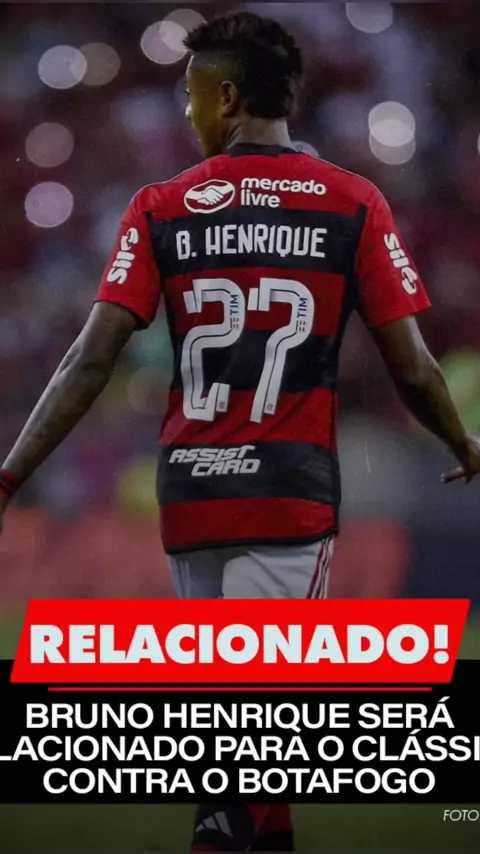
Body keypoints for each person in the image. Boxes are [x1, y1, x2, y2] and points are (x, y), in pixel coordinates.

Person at [1, 9, 479, 852]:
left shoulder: (161, 205)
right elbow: (410, 364)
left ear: (226, 97)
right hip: (286, 495)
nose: (188, 112)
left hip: (192, 496)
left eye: (192, 95)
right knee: (249, 738)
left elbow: (89, 359)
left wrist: (10, 474)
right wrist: (462, 441)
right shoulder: (352, 201)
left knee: (241, 719)